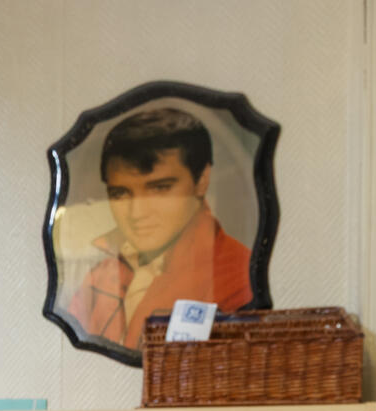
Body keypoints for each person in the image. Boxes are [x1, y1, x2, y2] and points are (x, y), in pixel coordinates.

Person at [63, 105, 253, 352]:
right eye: (120, 194)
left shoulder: (238, 277)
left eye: (160, 189)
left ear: (202, 180)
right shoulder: (99, 276)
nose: (137, 213)